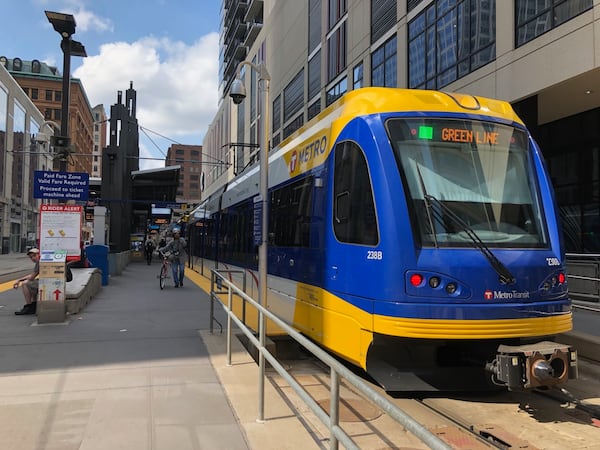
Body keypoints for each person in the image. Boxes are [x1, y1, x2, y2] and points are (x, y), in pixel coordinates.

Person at [13, 248, 41, 315]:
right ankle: (34, 305)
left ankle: (29, 306)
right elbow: (33, 275)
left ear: (39, 254)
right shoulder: (41, 261)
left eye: (34, 256)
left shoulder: (39, 263)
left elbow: (31, 277)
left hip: (45, 284)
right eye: (31, 257)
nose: (33, 258)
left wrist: (19, 280)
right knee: (33, 283)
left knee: (25, 284)